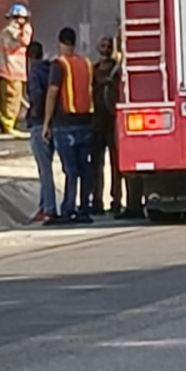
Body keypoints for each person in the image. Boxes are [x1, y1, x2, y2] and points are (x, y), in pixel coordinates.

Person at [42, 27, 94, 224]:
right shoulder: (86, 64)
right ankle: (85, 209)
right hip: (86, 123)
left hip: (65, 125)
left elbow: (53, 93)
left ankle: (68, 209)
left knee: (71, 171)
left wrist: (46, 123)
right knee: (85, 169)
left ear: (60, 43)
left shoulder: (59, 65)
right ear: (74, 43)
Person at [91, 36, 122, 215]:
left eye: (109, 46)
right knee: (96, 166)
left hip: (113, 122)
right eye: (103, 45)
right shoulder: (93, 71)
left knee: (116, 165)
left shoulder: (117, 72)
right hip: (96, 123)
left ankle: (116, 200)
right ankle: (97, 200)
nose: (105, 49)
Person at [26, 41, 56, 222]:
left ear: (28, 57)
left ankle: (49, 208)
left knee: (44, 169)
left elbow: (36, 95)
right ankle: (43, 205)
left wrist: (35, 113)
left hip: (39, 125)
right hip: (55, 123)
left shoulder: (35, 73)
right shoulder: (50, 69)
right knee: (48, 167)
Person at [0, 3, 32, 134]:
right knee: (12, 101)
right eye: (24, 19)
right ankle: (8, 127)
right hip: (12, 73)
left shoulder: (5, 32)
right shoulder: (12, 32)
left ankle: (5, 124)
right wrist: (25, 29)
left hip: (5, 72)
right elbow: (24, 41)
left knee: (7, 102)